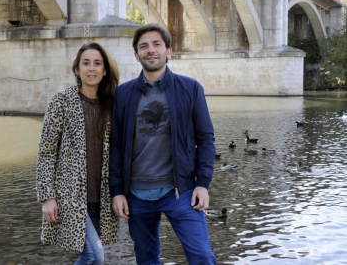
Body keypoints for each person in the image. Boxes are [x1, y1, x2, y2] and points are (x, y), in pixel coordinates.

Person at [109, 24, 217, 265]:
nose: (151, 50)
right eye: (144, 46)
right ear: (136, 55)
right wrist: (117, 191)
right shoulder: (124, 94)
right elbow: (116, 146)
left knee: (202, 257)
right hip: (136, 194)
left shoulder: (190, 88)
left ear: (169, 51)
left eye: (157, 44)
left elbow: (206, 139)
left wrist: (203, 184)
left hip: (180, 192)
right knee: (146, 260)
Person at [36, 42, 120, 264]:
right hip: (69, 197)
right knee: (95, 254)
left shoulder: (111, 107)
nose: (91, 69)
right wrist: (47, 197)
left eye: (97, 64)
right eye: (86, 63)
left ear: (104, 71)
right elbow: (46, 153)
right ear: (77, 69)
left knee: (89, 255)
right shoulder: (61, 102)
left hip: (101, 197)